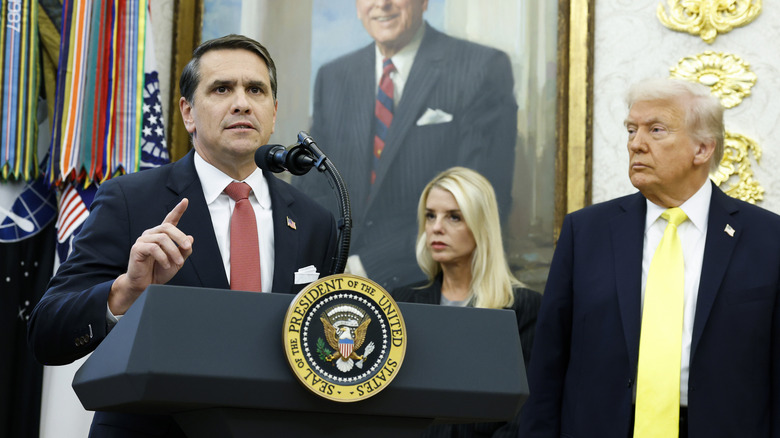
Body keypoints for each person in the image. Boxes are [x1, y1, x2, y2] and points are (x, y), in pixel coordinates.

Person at [27, 34, 338, 437]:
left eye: (255, 90)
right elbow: (46, 332)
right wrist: (125, 293)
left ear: (273, 112)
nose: (242, 103)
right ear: (188, 113)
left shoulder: (315, 221)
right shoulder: (130, 200)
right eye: (222, 89)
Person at [518, 78, 780, 437]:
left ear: (702, 149)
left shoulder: (768, 239)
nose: (636, 144)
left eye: (656, 130)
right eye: (631, 130)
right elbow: (547, 364)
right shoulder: (586, 232)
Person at [294, 0, 518, 291]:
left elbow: (480, 202)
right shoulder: (333, 76)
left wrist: (365, 266)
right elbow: (312, 186)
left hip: (429, 286)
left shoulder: (482, 68)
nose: (382, 4)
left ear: (424, 2)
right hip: (334, 281)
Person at [392, 167, 541, 438]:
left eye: (454, 217)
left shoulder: (523, 308)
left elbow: (525, 413)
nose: (436, 227)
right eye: (430, 215)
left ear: (480, 225)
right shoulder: (402, 303)